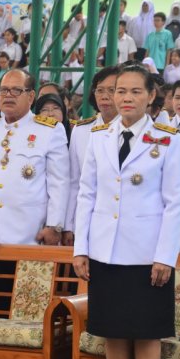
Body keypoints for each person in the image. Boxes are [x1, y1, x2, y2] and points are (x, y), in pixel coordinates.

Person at [73, 64, 180, 359]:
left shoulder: (167, 141)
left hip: (147, 257)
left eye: (135, 91)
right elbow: (86, 195)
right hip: (105, 253)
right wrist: (81, 248)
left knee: (146, 335)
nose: (125, 98)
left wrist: (165, 256)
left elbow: (174, 204)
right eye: (119, 91)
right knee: (114, 334)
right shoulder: (99, 137)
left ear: (152, 96)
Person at [0, 69, 69, 245]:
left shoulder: (50, 130)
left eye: (16, 90)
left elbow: (59, 183)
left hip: (29, 234)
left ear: (31, 96)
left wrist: (54, 225)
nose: (8, 95)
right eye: (3, 90)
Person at [64, 66, 119, 247]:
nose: (104, 96)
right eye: (99, 90)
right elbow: (73, 182)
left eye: (111, 90)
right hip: (87, 219)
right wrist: (69, 225)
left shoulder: (135, 133)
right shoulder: (81, 130)